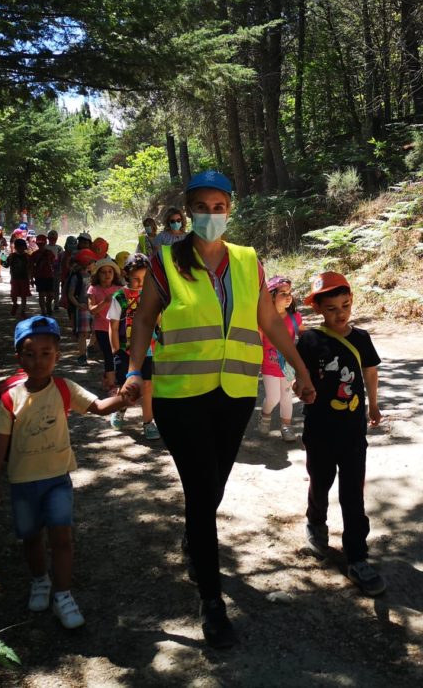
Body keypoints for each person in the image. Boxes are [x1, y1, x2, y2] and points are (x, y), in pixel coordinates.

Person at [120, 170, 317, 649]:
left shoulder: (249, 261)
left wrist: (298, 368)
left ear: (230, 209)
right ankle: (211, 598)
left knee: (215, 484)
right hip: (179, 395)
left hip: (232, 394)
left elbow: (267, 318)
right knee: (198, 489)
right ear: (189, 212)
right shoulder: (167, 258)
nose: (211, 215)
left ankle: (195, 536)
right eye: (202, 207)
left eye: (219, 206)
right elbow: (145, 316)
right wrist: (131, 370)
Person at [0, 316, 135, 630]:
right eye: (30, 354)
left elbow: (98, 408)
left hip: (57, 480)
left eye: (46, 353)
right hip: (22, 482)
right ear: (18, 358)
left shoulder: (65, 388)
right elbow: (1, 441)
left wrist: (123, 397)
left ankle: (63, 595)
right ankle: (40, 580)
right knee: (30, 537)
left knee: (62, 538)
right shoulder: (11, 398)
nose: (38, 361)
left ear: (57, 356)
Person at [296, 271, 386, 596]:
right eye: (332, 308)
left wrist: (373, 405)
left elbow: (370, 373)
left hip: (352, 432)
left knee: (353, 492)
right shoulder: (308, 340)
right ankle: (316, 521)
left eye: (345, 305)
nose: (340, 313)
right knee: (320, 483)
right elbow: (300, 378)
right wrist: (301, 388)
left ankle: (357, 556)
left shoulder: (361, 337)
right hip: (319, 430)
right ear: (318, 308)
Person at [108, 254, 159, 440]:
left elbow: (158, 321)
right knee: (128, 386)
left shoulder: (152, 295)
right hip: (125, 350)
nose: (140, 283)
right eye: (136, 279)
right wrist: (115, 351)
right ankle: (119, 410)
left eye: (145, 279)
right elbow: (112, 326)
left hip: (149, 350)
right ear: (126, 275)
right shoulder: (119, 296)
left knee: (147, 386)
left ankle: (148, 422)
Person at [259, 276, 303, 443]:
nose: (288, 296)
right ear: (271, 295)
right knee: (273, 398)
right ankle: (265, 415)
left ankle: (286, 426)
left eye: (289, 293)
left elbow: (304, 337)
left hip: (288, 366)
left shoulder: (295, 317)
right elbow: (257, 341)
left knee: (286, 397)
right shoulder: (263, 318)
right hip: (269, 365)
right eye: (283, 293)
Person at [87, 258, 122, 392]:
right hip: (101, 327)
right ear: (97, 275)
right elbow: (91, 310)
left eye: (110, 272)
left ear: (114, 274)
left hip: (118, 327)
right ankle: (112, 384)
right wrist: (105, 302)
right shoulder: (93, 289)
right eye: (103, 272)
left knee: (118, 354)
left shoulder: (120, 289)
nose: (107, 275)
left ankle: (109, 377)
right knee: (108, 354)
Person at [66, 249, 96, 365]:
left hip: (93, 307)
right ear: (87, 263)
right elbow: (70, 294)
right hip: (83, 308)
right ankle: (82, 355)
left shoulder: (94, 276)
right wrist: (79, 305)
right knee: (83, 333)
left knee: (96, 330)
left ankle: (90, 347)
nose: (95, 264)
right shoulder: (76, 277)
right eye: (93, 262)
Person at [31, 234, 58, 316]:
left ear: (45, 243)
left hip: (50, 276)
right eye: (39, 243)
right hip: (39, 277)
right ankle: (43, 311)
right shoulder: (34, 254)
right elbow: (31, 267)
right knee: (41, 295)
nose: (41, 245)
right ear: (37, 244)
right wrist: (31, 278)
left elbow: (54, 264)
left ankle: (48, 305)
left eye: (42, 243)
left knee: (51, 295)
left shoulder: (50, 253)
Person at [6, 238, 32, 317]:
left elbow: (30, 268)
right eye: (19, 247)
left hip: (24, 279)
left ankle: (22, 311)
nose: (21, 249)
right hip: (14, 279)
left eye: (22, 248)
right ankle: (15, 304)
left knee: (24, 296)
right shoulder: (11, 256)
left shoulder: (28, 257)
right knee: (14, 294)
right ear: (16, 248)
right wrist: (3, 253)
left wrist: (31, 278)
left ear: (24, 248)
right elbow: (4, 264)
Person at [46, 230, 65, 310]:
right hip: (47, 271)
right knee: (49, 288)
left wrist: (61, 270)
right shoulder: (45, 247)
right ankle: (49, 303)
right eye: (51, 238)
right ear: (48, 238)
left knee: (56, 288)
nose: (53, 240)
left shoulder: (59, 248)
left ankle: (56, 304)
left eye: (54, 238)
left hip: (57, 271)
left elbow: (62, 260)